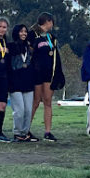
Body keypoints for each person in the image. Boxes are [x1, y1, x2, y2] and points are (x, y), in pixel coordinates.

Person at [28, 12, 64, 142]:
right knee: (36, 101)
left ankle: (47, 132)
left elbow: (55, 56)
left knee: (48, 101)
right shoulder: (32, 34)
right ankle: (25, 129)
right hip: (36, 72)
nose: (52, 25)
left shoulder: (51, 37)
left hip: (49, 73)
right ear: (48, 21)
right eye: (51, 22)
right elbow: (29, 51)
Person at [8, 24, 35, 142]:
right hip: (15, 82)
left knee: (28, 110)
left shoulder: (29, 48)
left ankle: (25, 133)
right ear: (16, 33)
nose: (23, 33)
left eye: (25, 31)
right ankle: (17, 133)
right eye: (21, 31)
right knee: (19, 111)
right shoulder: (11, 46)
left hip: (28, 82)